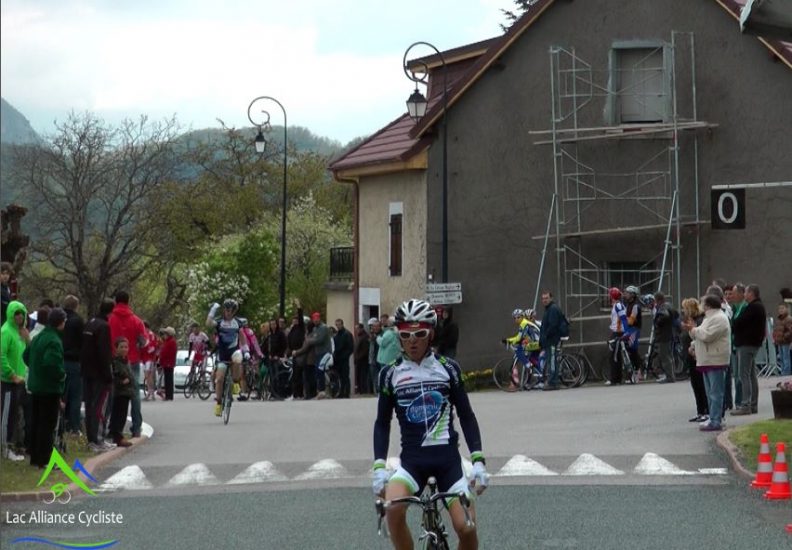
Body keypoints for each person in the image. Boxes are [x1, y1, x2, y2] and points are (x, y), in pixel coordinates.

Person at [372, 299, 489, 550]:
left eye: (420, 334)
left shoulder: (449, 369)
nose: (412, 341)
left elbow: (466, 416)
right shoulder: (390, 374)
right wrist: (379, 467)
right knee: (391, 509)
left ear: (431, 334)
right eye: (405, 335)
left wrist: (478, 460)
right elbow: (382, 423)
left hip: (448, 463)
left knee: (467, 528)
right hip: (412, 463)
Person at [683, 294, 731, 431]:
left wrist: (693, 329)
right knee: (710, 392)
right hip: (707, 359)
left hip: (715, 359)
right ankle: (712, 417)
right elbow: (699, 335)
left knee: (716, 393)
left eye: (702, 303)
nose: (701, 305)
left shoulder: (719, 318)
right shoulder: (708, 318)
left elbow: (707, 335)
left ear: (708, 305)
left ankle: (716, 420)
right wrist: (692, 337)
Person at [27, 307, 67, 467]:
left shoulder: (38, 337)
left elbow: (26, 355)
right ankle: (45, 458)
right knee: (47, 424)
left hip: (35, 385)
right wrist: (61, 375)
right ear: (60, 322)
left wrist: (35, 369)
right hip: (49, 388)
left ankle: (34, 457)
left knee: (36, 421)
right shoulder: (54, 340)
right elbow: (51, 363)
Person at [108, 291, 146, 437]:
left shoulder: (110, 319)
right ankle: (136, 427)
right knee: (134, 393)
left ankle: (111, 427)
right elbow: (143, 341)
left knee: (113, 393)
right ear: (128, 301)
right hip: (133, 359)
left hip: (113, 360)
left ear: (115, 301)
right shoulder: (136, 321)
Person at [80, 299, 116, 452]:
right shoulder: (104, 326)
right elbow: (104, 352)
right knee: (99, 407)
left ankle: (91, 439)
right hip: (99, 374)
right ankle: (98, 439)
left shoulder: (90, 323)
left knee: (89, 406)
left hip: (87, 371)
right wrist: (108, 374)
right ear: (111, 311)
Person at [206, 299, 249, 416]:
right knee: (219, 379)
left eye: (230, 311)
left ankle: (235, 382)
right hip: (222, 354)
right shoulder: (219, 322)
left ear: (234, 311)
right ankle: (219, 403)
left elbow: (242, 337)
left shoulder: (238, 323)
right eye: (226, 310)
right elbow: (208, 323)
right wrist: (213, 310)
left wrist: (246, 351)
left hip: (234, 351)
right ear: (224, 310)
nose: (228, 313)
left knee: (238, 360)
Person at [732, 284, 766, 416]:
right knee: (751, 375)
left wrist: (734, 323)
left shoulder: (753, 307)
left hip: (747, 344)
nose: (744, 295)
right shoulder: (758, 306)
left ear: (751, 293)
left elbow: (739, 322)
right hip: (753, 344)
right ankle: (753, 404)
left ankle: (746, 404)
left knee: (744, 375)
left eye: (746, 292)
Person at [1, 300, 29, 461]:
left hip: (19, 381)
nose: (19, 317)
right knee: (6, 416)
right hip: (7, 381)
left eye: (22, 314)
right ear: (11, 314)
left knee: (14, 416)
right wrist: (11, 375)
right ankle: (5, 448)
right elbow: (1, 356)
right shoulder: (6, 332)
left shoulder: (20, 332)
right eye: (16, 313)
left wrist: (27, 339)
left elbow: (25, 355)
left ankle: (10, 445)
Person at [294, 312, 331, 399]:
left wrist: (308, 340)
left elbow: (319, 340)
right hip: (318, 353)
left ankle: (322, 391)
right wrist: (311, 339)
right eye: (314, 320)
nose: (315, 321)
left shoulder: (323, 328)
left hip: (325, 352)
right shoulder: (315, 329)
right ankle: (320, 390)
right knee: (317, 372)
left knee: (320, 369)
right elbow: (314, 338)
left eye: (317, 319)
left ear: (319, 319)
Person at [61, 295, 84, 433]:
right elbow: (82, 342)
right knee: (75, 396)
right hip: (74, 361)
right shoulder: (77, 321)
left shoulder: (59, 318)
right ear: (76, 306)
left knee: (62, 394)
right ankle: (74, 426)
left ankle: (61, 425)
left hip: (60, 360)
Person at [108, 338, 135, 447]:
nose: (124, 349)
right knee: (118, 415)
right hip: (118, 392)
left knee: (122, 415)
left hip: (127, 392)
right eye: (121, 347)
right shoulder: (115, 362)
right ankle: (117, 436)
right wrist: (122, 382)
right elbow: (113, 377)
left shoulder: (126, 361)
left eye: (126, 347)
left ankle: (115, 434)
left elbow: (130, 376)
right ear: (116, 348)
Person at [539, 291, 564, 391]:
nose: (544, 300)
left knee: (552, 361)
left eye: (546, 298)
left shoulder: (552, 309)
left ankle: (553, 382)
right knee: (551, 360)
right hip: (549, 340)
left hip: (552, 340)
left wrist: (546, 335)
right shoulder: (548, 309)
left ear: (551, 298)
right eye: (543, 298)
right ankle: (552, 381)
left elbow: (553, 325)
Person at [652, 292, 676, 383]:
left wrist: (658, 322)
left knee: (665, 357)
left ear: (658, 300)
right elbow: (675, 315)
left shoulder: (662, 308)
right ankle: (671, 375)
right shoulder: (669, 306)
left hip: (663, 336)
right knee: (669, 356)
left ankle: (670, 376)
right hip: (669, 334)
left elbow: (664, 316)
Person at [287, 301, 306, 399]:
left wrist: (299, 307)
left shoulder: (301, 328)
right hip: (293, 353)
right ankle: (295, 393)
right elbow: (289, 340)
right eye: (293, 320)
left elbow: (301, 318)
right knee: (295, 374)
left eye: (296, 320)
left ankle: (300, 393)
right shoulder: (292, 330)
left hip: (299, 353)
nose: (294, 322)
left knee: (298, 374)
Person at [333, 319, 354, 398]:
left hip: (344, 359)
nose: (338, 326)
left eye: (339, 324)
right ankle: (341, 392)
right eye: (337, 325)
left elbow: (350, 348)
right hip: (337, 359)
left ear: (342, 324)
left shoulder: (347, 334)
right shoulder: (337, 335)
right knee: (340, 376)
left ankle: (346, 392)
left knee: (345, 376)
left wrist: (345, 356)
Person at [376, 315, 401, 382]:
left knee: (384, 377)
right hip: (392, 358)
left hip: (386, 359)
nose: (386, 322)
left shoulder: (390, 332)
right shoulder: (396, 332)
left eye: (388, 321)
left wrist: (378, 337)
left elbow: (382, 342)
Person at [772, 303, 792, 376]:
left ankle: (786, 373)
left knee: (786, 358)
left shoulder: (789, 319)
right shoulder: (778, 319)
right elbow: (776, 330)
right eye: (779, 308)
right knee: (781, 358)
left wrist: (783, 337)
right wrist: (775, 338)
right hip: (779, 342)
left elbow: (790, 331)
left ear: (787, 309)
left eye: (782, 308)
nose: (781, 310)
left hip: (785, 342)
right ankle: (783, 372)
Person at [141, 321, 159, 401]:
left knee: (149, 375)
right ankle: (149, 392)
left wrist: (149, 350)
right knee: (146, 376)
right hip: (144, 358)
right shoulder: (143, 334)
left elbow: (154, 345)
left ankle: (151, 393)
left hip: (149, 358)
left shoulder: (151, 334)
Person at [159, 327, 177, 401]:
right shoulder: (168, 341)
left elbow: (166, 352)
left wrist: (161, 358)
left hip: (168, 362)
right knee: (167, 379)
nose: (164, 335)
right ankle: (168, 395)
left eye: (165, 334)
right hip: (166, 362)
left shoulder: (171, 342)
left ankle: (169, 396)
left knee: (169, 379)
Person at [354, 323, 370, 395]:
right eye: (356, 329)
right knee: (358, 376)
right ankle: (360, 390)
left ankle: (363, 390)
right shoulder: (359, 337)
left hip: (363, 360)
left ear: (361, 328)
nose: (356, 330)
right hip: (358, 360)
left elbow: (365, 350)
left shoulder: (365, 337)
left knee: (363, 376)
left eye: (357, 328)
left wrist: (358, 357)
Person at [368, 318, 382, 394]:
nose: (375, 328)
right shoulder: (372, 336)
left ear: (380, 327)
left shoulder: (382, 335)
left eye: (376, 326)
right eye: (373, 326)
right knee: (375, 377)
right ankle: (377, 391)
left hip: (381, 359)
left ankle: (381, 392)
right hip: (373, 360)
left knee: (381, 376)